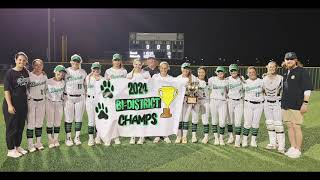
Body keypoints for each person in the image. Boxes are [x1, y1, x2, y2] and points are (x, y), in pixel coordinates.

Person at [281, 52, 313, 158]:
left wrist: (305, 103)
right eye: (287, 59)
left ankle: (298, 149)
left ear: (296, 60)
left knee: (296, 126)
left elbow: (307, 89)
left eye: (291, 59)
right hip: (286, 104)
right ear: (285, 60)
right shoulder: (286, 72)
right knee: (289, 126)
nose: (289, 61)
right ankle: (293, 147)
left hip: (297, 105)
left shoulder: (301, 71)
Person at [3, 52, 30, 158]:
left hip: (22, 105)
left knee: (20, 127)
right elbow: (6, 91)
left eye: (24, 60)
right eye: (19, 60)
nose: (21, 62)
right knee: (12, 127)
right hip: (12, 104)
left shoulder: (25, 72)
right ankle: (10, 150)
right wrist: (9, 105)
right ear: (15, 60)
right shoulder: (10, 73)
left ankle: (17, 146)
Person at [64, 54, 87, 146]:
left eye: (77, 61)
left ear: (79, 63)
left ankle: (77, 137)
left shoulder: (83, 72)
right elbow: (57, 77)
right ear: (70, 61)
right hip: (68, 97)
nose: (75, 63)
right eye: (74, 61)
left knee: (79, 118)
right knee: (68, 118)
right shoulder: (66, 71)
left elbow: (87, 83)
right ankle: (68, 137)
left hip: (80, 97)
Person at [104, 53, 127, 145]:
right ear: (112, 61)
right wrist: (106, 97)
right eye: (115, 60)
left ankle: (116, 137)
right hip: (111, 97)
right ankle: (108, 137)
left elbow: (126, 84)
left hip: (120, 97)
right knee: (110, 118)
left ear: (120, 61)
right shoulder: (108, 71)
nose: (117, 61)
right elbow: (105, 85)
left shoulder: (124, 71)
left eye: (118, 60)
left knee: (118, 118)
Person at [262, 61, 285, 154]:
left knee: (278, 125)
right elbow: (262, 90)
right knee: (270, 123)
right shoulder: (263, 78)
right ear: (267, 67)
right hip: (267, 103)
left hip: (277, 103)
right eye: (270, 67)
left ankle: (281, 146)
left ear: (276, 68)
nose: (271, 68)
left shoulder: (281, 78)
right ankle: (272, 143)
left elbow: (286, 91)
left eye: (273, 67)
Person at [126, 59, 151, 144]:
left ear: (142, 64)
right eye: (136, 64)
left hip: (143, 99)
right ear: (133, 64)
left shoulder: (146, 73)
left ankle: (141, 136)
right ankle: (132, 136)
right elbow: (126, 87)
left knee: (142, 119)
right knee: (133, 118)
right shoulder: (129, 75)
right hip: (132, 99)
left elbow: (150, 85)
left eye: (139, 64)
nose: (137, 66)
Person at [26, 59, 47, 152]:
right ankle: (30, 145)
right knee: (30, 124)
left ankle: (38, 143)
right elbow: (25, 88)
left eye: (40, 65)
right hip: (31, 101)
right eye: (36, 65)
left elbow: (46, 89)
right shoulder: (29, 75)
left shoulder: (44, 76)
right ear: (33, 66)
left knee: (39, 123)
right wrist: (28, 97)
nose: (38, 67)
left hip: (42, 101)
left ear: (42, 66)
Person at [175, 62, 198, 144]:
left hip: (189, 99)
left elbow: (195, 91)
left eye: (187, 68)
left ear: (189, 69)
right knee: (179, 119)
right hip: (179, 100)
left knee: (186, 118)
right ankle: (178, 136)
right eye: (184, 68)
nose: (186, 70)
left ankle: (184, 137)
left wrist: (193, 100)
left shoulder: (193, 78)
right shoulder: (178, 78)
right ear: (181, 69)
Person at [242, 66, 264, 148]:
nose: (252, 74)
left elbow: (265, 90)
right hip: (248, 104)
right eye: (250, 72)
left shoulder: (261, 81)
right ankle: (244, 140)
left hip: (259, 104)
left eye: (253, 72)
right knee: (247, 123)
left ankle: (253, 140)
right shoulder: (244, 82)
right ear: (247, 74)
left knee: (255, 123)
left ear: (256, 72)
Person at [46, 65, 66, 148]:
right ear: (55, 71)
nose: (60, 73)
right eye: (59, 71)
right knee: (50, 122)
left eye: (62, 72)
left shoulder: (64, 82)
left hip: (59, 103)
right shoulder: (48, 81)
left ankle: (56, 139)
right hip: (49, 103)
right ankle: (50, 140)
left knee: (57, 122)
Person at [152, 61, 172, 144]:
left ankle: (165, 135)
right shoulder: (155, 76)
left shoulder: (170, 78)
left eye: (165, 68)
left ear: (168, 68)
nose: (163, 69)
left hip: (166, 101)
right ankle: (157, 135)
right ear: (159, 68)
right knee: (157, 117)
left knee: (165, 118)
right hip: (157, 100)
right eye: (162, 68)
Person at [86, 62, 106, 146]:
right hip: (90, 100)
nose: (96, 70)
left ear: (100, 70)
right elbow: (90, 75)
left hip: (99, 101)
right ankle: (90, 138)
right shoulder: (88, 78)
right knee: (91, 120)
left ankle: (98, 137)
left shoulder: (103, 79)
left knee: (99, 120)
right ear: (92, 70)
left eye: (98, 69)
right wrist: (92, 72)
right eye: (94, 69)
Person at [208, 66, 228, 146]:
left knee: (222, 122)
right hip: (213, 101)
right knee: (214, 120)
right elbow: (209, 88)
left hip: (223, 102)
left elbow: (228, 91)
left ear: (224, 73)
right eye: (218, 71)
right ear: (216, 72)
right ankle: (216, 138)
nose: (220, 73)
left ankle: (221, 138)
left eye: (221, 72)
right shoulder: (211, 79)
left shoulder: (227, 81)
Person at [226, 64, 245, 147]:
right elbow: (225, 90)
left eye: (235, 70)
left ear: (237, 71)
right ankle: (231, 137)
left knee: (238, 121)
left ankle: (237, 140)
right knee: (229, 121)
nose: (233, 72)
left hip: (239, 102)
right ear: (229, 71)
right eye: (232, 70)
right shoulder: (227, 79)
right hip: (230, 101)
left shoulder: (242, 79)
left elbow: (246, 87)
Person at [190, 66, 210, 144]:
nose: (201, 74)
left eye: (202, 72)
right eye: (199, 72)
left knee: (205, 119)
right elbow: (191, 93)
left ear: (205, 73)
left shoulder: (209, 81)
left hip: (206, 101)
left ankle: (206, 137)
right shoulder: (195, 80)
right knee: (194, 119)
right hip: (196, 101)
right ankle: (193, 136)